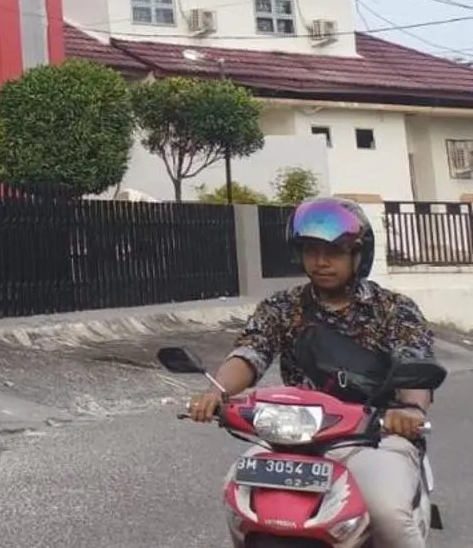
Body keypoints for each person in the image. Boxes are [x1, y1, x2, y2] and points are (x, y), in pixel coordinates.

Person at [187, 197, 436, 548]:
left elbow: (415, 364)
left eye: (334, 252)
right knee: (238, 494)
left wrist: (409, 410)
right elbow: (250, 352)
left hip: (375, 438)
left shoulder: (394, 310)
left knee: (388, 512)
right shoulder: (282, 307)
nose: (321, 261)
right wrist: (218, 391)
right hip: (295, 437)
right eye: (311, 250)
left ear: (359, 254)